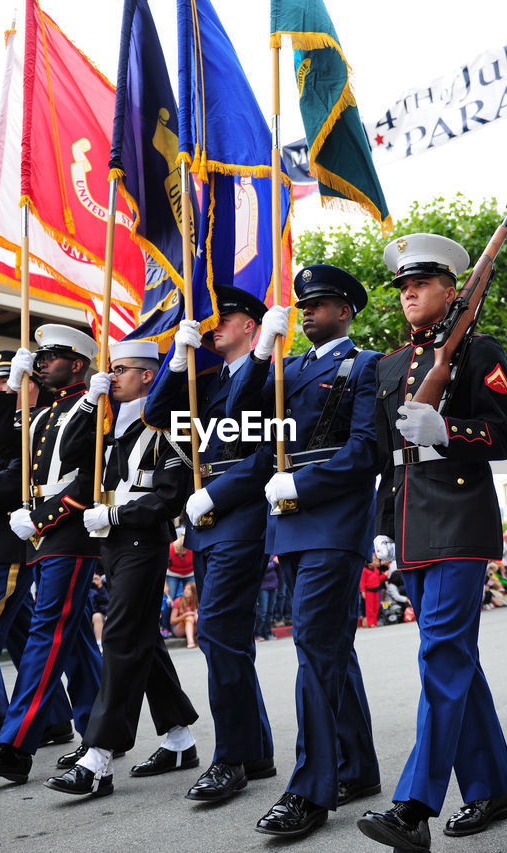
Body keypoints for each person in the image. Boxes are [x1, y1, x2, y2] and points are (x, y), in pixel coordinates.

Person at [360, 233, 507, 851]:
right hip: (411, 529)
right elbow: (385, 458)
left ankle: (414, 805)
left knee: (441, 658)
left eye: (420, 285)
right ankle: (490, 786)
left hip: (459, 521)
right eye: (402, 287)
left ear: (453, 292)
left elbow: (501, 437)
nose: (408, 295)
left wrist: (448, 427)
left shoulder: (479, 350)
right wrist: (379, 527)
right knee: (456, 661)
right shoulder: (390, 366)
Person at [223, 265, 384, 837]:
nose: (307, 310)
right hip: (289, 526)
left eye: (319, 303)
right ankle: (358, 767)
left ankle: (311, 789)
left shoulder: (366, 366)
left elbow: (368, 450)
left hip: (333, 521)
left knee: (313, 646)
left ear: (344, 311)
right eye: (303, 303)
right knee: (331, 645)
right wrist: (261, 351)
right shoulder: (286, 368)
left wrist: (305, 484)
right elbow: (235, 414)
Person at [39, 338, 200, 799]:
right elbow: (69, 453)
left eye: (121, 370)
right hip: (110, 542)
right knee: (141, 639)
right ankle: (178, 737)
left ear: (149, 375)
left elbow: (172, 493)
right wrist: (91, 400)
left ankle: (99, 756)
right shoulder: (110, 420)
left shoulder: (168, 422)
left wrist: (118, 514)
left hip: (140, 540)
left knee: (121, 637)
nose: (111, 376)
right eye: (109, 369)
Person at [143, 287, 278, 802]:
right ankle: (258, 749)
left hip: (238, 514)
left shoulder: (268, 374)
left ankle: (232, 759)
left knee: (218, 632)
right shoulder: (207, 381)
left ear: (251, 325)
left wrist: (215, 493)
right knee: (231, 640)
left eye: (226, 318)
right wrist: (177, 361)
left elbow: (267, 450)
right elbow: (157, 412)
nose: (214, 326)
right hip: (204, 521)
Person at [0, 326, 105, 784]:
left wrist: (43, 518)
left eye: (51, 356)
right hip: (40, 532)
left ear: (77, 363)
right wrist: (4, 394)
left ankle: (15, 747)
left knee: (46, 637)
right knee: (71, 638)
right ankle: (97, 733)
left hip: (68, 530)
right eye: (37, 358)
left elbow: (91, 475)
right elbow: (2, 447)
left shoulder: (91, 404)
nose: (41, 363)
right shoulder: (44, 412)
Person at [255, 555, 279, 640]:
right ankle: (259, 633)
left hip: (273, 585)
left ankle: (268, 633)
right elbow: (262, 567)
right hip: (263, 587)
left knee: (270, 611)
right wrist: (274, 563)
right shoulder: (260, 552)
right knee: (263, 611)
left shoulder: (271, 553)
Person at [360, 558, 389, 628]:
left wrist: (384, 575)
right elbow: (362, 582)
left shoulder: (376, 570)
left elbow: (378, 579)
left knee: (376, 607)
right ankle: (370, 623)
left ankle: (375, 621)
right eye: (374, 561)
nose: (376, 562)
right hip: (369, 591)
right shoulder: (364, 570)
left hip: (376, 590)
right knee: (369, 608)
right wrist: (363, 591)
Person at [171, 581, 198, 647]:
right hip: (179, 629)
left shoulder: (197, 601)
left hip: (193, 626)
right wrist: (184, 615)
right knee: (189, 617)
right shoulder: (178, 600)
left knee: (197, 616)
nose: (185, 591)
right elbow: (172, 621)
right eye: (185, 589)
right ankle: (190, 642)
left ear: (194, 591)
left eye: (188, 589)